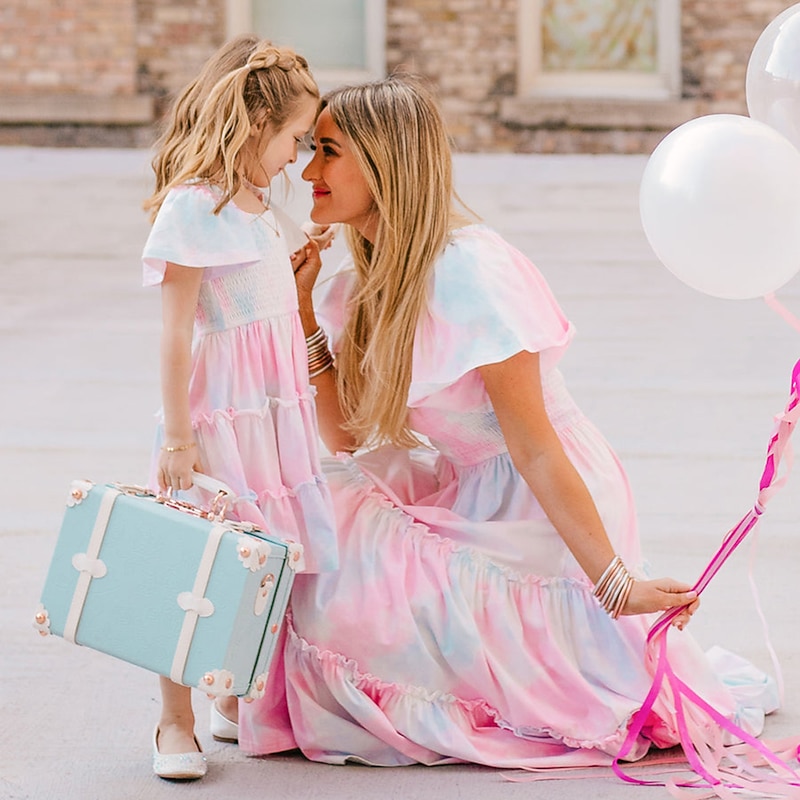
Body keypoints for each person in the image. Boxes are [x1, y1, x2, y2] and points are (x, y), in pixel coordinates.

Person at [237, 75, 778, 769]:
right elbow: (343, 436)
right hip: (469, 487)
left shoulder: (472, 272)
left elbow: (537, 447)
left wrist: (613, 583)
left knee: (356, 565)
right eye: (309, 149)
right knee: (326, 505)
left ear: (384, 160)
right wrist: (306, 313)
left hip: (541, 498)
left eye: (329, 151)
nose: (308, 170)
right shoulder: (359, 285)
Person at [140, 38, 337, 780]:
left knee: (258, 561)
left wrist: (292, 274)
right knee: (194, 564)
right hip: (220, 417)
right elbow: (176, 330)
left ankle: (226, 694)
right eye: (293, 140)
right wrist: (181, 437)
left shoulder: (256, 211)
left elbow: (257, 303)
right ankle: (172, 721)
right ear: (255, 125)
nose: (296, 158)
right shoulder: (197, 204)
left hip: (270, 418)